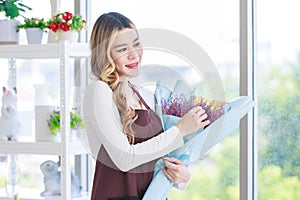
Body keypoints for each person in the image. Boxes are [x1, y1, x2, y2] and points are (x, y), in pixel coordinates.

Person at [83, 12, 210, 200]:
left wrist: (181, 176)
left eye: (136, 45)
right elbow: (124, 159)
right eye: (122, 49)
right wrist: (180, 129)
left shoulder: (140, 95)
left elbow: (154, 154)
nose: (134, 55)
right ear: (105, 54)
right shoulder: (98, 91)